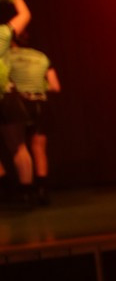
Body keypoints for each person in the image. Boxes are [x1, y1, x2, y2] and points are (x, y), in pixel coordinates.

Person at [7, 30, 57, 204]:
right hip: (41, 103)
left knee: (19, 147)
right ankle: (43, 190)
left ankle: (25, 190)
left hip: (19, 104)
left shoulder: (7, 57)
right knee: (39, 148)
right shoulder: (42, 57)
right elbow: (55, 86)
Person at [0, 0, 33, 202]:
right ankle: (26, 192)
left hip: (5, 96)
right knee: (18, 146)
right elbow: (25, 14)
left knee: (18, 146)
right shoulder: (2, 34)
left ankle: (7, 190)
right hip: (6, 95)